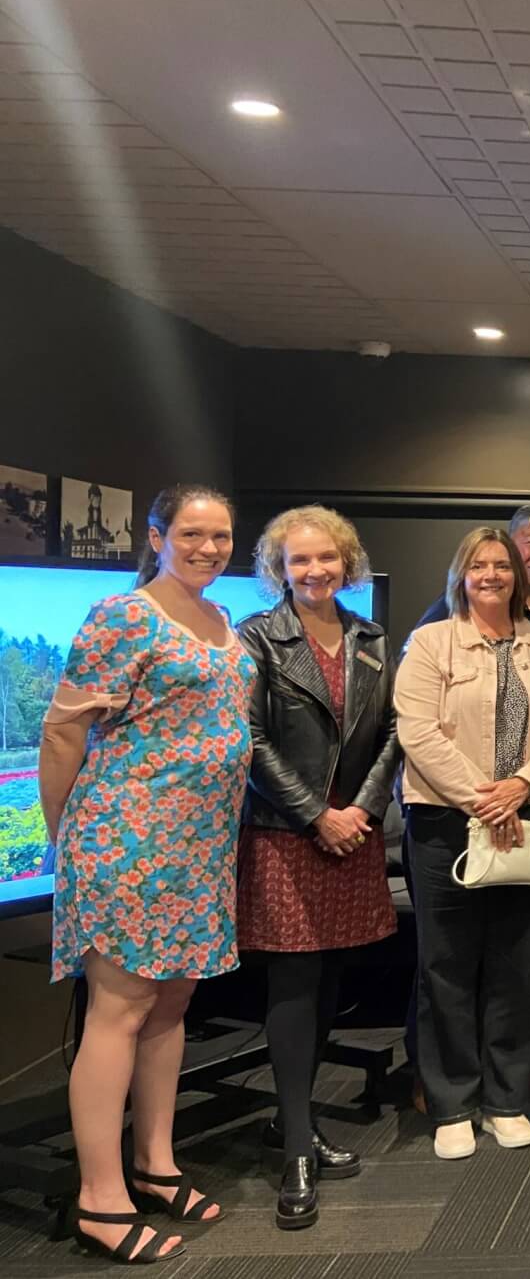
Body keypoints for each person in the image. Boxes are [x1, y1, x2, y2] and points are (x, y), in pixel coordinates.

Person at [39, 485, 255, 1262]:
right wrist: (67, 841)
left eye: (220, 536)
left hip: (200, 849)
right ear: (157, 537)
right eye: (191, 534)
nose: (208, 548)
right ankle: (100, 1200)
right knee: (121, 1010)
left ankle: (155, 1164)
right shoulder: (124, 617)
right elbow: (63, 733)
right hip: (127, 843)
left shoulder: (222, 619)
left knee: (170, 1005)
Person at [395, 527, 530, 1161]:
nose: (492, 575)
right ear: (462, 575)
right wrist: (484, 800)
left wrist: (522, 787)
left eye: (501, 565)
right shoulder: (431, 641)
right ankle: (451, 1103)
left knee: (517, 965)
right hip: (446, 822)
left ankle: (506, 1099)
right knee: (446, 966)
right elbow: (417, 732)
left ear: (517, 575)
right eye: (478, 565)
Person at [237, 506, 400, 1229]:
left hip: (353, 833)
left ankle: (294, 1119)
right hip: (286, 832)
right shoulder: (257, 638)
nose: (314, 570)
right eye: (299, 560)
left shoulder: (372, 639)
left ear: (347, 562)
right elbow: (249, 739)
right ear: (278, 567)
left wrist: (361, 810)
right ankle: (298, 1150)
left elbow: (393, 732)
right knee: (296, 983)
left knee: (332, 978)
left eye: (326, 557)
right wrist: (316, 814)